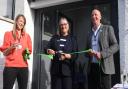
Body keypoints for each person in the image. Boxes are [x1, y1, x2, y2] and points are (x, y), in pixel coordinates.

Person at [85, 9, 119, 89]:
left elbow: (116, 46)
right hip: (92, 68)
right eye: (92, 15)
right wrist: (88, 52)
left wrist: (102, 54)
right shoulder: (89, 33)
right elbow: (86, 51)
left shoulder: (108, 28)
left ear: (100, 17)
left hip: (104, 67)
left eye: (96, 14)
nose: (94, 16)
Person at [0, 14, 32, 89]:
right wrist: (11, 47)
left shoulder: (27, 36)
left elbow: (29, 52)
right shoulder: (8, 34)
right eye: (20, 21)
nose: (21, 23)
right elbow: (4, 53)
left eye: (23, 22)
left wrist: (27, 53)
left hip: (23, 67)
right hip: (10, 67)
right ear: (16, 21)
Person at [45, 17, 78, 89]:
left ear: (68, 25)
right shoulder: (54, 38)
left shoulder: (73, 39)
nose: (63, 26)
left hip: (68, 72)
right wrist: (49, 51)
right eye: (61, 25)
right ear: (59, 26)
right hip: (55, 72)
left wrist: (68, 56)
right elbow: (46, 48)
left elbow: (76, 55)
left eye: (65, 24)